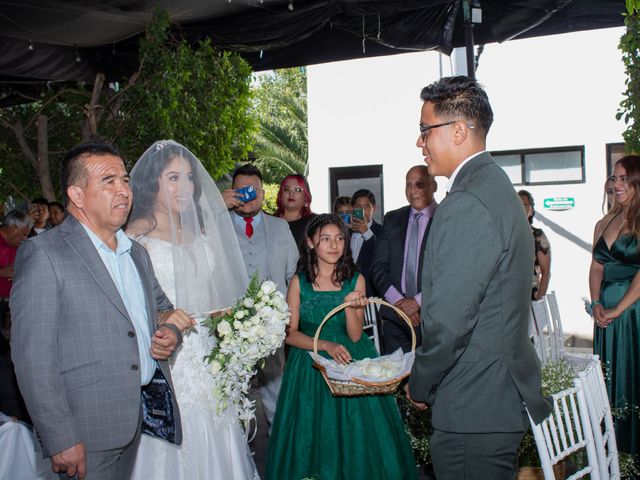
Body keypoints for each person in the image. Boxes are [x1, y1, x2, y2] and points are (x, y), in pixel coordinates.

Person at [11, 140, 193, 480]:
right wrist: (60, 436)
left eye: (124, 179)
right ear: (77, 195)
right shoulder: (44, 254)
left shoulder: (135, 253)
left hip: (133, 420)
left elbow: (164, 309)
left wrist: (170, 332)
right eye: (108, 181)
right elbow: (33, 357)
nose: (123, 190)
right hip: (82, 430)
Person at [405, 76, 551, 480]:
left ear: (457, 131)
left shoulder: (467, 201)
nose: (420, 143)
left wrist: (420, 383)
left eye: (424, 130)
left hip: (474, 404)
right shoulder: (494, 183)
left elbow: (450, 322)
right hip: (493, 396)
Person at [126, 140, 258, 479]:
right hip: (169, 359)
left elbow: (209, 295)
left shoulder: (199, 230)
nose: (184, 187)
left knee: (219, 434)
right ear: (152, 182)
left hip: (208, 356)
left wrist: (229, 319)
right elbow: (128, 303)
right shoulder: (135, 235)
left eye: (188, 178)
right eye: (172, 178)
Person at [265, 214, 417, 480]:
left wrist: (352, 306)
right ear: (311, 243)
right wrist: (323, 344)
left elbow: (356, 336)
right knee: (310, 431)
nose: (334, 245)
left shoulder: (355, 279)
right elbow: (289, 334)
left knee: (358, 431)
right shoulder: (298, 282)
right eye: (325, 239)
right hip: (309, 364)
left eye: (339, 239)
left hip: (350, 359)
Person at [223, 163, 299, 429]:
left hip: (272, 330)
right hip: (228, 331)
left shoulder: (280, 227)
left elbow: (294, 277)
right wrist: (215, 207)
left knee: (276, 396)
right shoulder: (216, 228)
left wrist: (289, 318)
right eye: (240, 191)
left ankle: (281, 455)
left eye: (252, 190)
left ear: (263, 194)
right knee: (230, 398)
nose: (247, 196)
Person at [589, 154, 640, 460]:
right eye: (614, 178)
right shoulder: (605, 220)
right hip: (606, 314)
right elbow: (596, 267)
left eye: (623, 179)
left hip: (633, 311)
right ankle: (613, 453)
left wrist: (620, 308)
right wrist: (596, 303)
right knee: (610, 380)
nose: (616, 184)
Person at [369, 165, 437, 354]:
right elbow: (377, 267)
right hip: (394, 319)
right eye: (408, 185)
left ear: (434, 186)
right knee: (398, 379)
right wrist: (399, 303)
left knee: (431, 382)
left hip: (432, 319)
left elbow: (450, 273)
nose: (413, 191)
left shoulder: (445, 219)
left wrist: (417, 302)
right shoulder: (392, 218)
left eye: (419, 184)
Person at [518, 190, 551, 300]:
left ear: (531, 210)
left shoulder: (538, 236)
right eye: (518, 203)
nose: (521, 207)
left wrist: (539, 300)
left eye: (525, 204)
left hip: (530, 300)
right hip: (508, 301)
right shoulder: (505, 235)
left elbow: (546, 272)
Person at [349, 189, 382, 296]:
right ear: (352, 209)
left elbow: (381, 258)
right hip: (346, 291)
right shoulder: (344, 233)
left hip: (371, 294)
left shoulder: (383, 231)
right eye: (358, 206)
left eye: (366, 206)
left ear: (374, 208)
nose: (362, 210)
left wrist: (366, 232)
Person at [274, 173, 316, 248]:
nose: (291, 193)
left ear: (306, 197)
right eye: (287, 189)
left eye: (298, 190)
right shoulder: (269, 222)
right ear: (281, 196)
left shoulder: (315, 223)